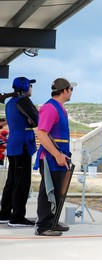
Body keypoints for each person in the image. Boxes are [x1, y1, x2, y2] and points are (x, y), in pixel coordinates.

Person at [33, 78, 76, 236]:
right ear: (64, 90)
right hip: (52, 157)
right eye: (71, 89)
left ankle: (53, 221)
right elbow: (42, 133)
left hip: (59, 156)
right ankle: (43, 225)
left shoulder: (59, 108)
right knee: (48, 190)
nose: (72, 92)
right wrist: (57, 154)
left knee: (58, 189)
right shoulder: (50, 108)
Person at [0, 77, 38, 226]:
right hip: (23, 144)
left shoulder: (10, 103)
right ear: (25, 87)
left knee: (11, 181)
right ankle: (17, 217)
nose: (31, 88)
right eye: (30, 86)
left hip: (14, 144)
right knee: (22, 182)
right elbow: (37, 119)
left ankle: (4, 214)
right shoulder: (23, 101)